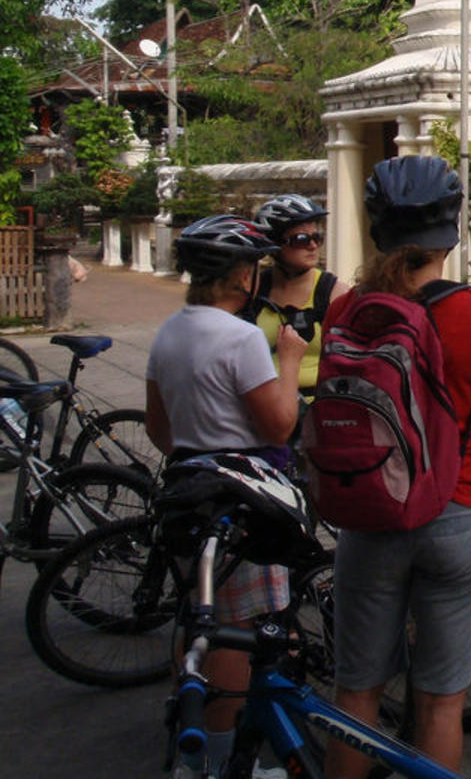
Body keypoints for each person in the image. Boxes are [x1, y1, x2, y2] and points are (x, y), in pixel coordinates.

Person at [324, 155, 471, 779]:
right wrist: (462, 474)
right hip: (460, 514)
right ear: (450, 229)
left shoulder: (348, 308)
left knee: (356, 693)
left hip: (370, 510)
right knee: (441, 700)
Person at [144, 214, 307, 779]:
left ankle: (192, 755)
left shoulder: (169, 331)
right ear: (239, 275)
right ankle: (221, 760)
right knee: (242, 631)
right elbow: (280, 425)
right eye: (253, 267)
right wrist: (288, 360)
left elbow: (159, 431)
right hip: (238, 498)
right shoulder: (241, 338)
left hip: (187, 488)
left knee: (197, 622)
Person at [244, 193, 346, 402]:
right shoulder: (255, 290)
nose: (313, 246)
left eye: (317, 237)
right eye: (301, 239)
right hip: (263, 405)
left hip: (318, 406)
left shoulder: (333, 293)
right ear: (274, 244)